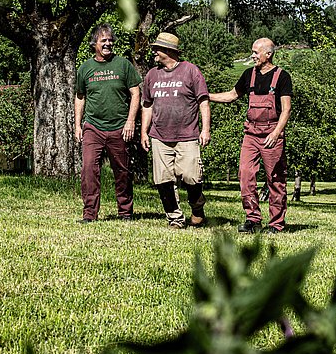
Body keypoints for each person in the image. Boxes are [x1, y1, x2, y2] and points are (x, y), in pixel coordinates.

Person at [209, 38, 292, 234]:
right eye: (252, 52)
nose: (252, 56)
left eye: (256, 52)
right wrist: (205, 95)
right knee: (245, 175)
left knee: (275, 179)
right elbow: (231, 96)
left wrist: (276, 132)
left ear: (268, 54)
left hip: (272, 134)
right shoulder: (249, 75)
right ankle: (253, 219)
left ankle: (276, 224)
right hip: (251, 134)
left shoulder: (282, 76)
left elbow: (286, 109)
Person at [141, 32, 210, 229]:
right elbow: (147, 105)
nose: (154, 52)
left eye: (157, 49)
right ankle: (175, 218)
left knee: (191, 175)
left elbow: (203, 101)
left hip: (187, 134)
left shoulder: (190, 71)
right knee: (163, 179)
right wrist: (144, 132)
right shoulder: (152, 75)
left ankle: (197, 208)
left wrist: (205, 130)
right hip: (159, 135)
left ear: (168, 51)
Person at [75, 24, 142, 222]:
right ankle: (89, 214)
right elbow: (80, 97)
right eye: (103, 40)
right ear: (94, 43)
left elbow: (135, 93)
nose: (108, 43)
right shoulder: (86, 68)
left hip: (119, 127)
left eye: (110, 40)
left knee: (122, 171)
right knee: (88, 169)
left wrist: (131, 121)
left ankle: (125, 211)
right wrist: (77, 124)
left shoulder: (123, 65)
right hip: (93, 127)